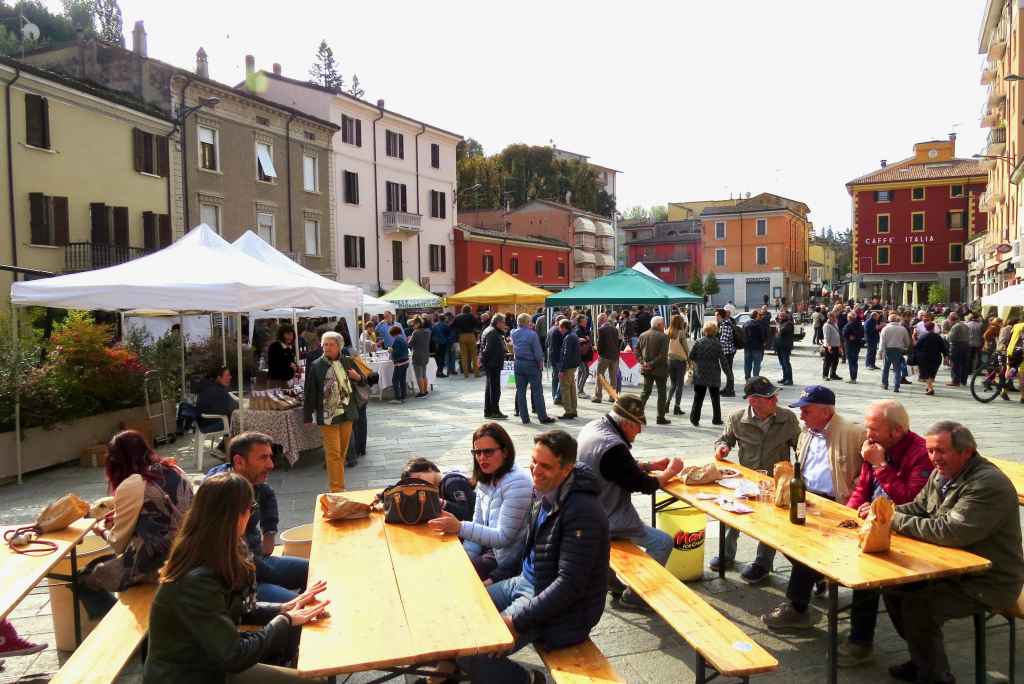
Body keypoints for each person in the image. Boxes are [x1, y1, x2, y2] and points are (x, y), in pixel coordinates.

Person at [455, 431, 610, 684]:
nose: (536, 471)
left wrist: (516, 621)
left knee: (475, 651)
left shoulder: (583, 512)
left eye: (545, 466)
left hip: (554, 604)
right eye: (534, 462)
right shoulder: (545, 494)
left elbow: (569, 585)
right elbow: (528, 552)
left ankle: (530, 680)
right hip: (523, 582)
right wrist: (494, 578)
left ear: (567, 469)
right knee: (458, 613)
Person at [144, 472, 329, 683]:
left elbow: (239, 609)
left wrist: (284, 608)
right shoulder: (197, 580)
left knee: (313, 669)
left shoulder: (214, 549)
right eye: (251, 508)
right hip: (191, 676)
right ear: (236, 515)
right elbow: (234, 655)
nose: (251, 514)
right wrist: (285, 620)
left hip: (209, 665)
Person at [882, 422, 1024, 684]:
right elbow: (919, 506)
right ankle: (923, 660)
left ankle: (935, 676)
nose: (934, 457)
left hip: (990, 580)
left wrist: (893, 520)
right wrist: (885, 510)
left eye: (941, 451)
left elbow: (950, 532)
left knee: (919, 605)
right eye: (930, 451)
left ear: (966, 452)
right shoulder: (943, 473)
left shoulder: (987, 483)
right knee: (893, 587)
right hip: (950, 568)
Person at [760, 386, 865, 630]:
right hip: (807, 498)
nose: (801, 416)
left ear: (826, 412)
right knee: (775, 535)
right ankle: (817, 574)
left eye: (807, 411)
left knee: (805, 549)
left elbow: (869, 472)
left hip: (837, 504)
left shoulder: (854, 432)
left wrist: (853, 495)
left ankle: (797, 608)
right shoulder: (807, 432)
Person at [577, 395, 684, 609]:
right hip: (604, 520)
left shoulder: (594, 427)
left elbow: (617, 469)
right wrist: (670, 472)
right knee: (663, 542)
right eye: (638, 425)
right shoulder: (613, 447)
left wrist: (650, 465)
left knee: (631, 531)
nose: (640, 431)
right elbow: (644, 485)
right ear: (626, 424)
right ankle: (635, 597)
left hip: (585, 512)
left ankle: (611, 582)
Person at [80, 431, 194, 618]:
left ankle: (115, 623)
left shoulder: (132, 483)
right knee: (100, 564)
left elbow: (118, 543)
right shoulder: (174, 469)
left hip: (157, 564)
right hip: (189, 553)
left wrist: (99, 530)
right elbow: (163, 513)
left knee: (85, 577)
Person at [712, 377, 800, 584]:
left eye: (775, 395)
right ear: (753, 401)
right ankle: (726, 554)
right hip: (746, 478)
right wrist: (722, 448)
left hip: (774, 483)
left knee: (771, 523)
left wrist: (800, 474)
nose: (776, 400)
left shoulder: (787, 418)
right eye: (770, 397)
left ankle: (762, 564)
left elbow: (800, 446)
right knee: (731, 514)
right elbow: (724, 440)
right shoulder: (737, 418)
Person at [206, 432, 309, 604]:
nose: (271, 464)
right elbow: (236, 560)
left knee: (315, 571)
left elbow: (267, 494)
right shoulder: (220, 492)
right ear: (239, 461)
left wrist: (269, 532)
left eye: (270, 457)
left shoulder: (252, 481)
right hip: (238, 583)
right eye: (263, 458)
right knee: (302, 605)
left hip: (258, 562)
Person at [428, 423, 533, 582]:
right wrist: (465, 557)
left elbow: (503, 538)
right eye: (477, 452)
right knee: (445, 562)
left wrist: (459, 527)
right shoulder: (486, 477)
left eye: (488, 452)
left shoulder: (518, 483)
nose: (481, 458)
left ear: (505, 452)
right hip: (488, 549)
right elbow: (477, 524)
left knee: (451, 576)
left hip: (503, 559)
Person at [303, 332, 367, 491]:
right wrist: (307, 415)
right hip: (327, 415)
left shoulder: (348, 361)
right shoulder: (317, 365)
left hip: (347, 412)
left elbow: (366, 380)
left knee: (342, 453)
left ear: (339, 346)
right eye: (324, 344)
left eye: (331, 344)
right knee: (333, 453)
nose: (327, 348)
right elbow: (310, 391)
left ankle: (339, 484)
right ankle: (337, 489)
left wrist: (358, 377)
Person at [510, 313, 555, 425]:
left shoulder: (513, 333)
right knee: (537, 391)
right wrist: (540, 362)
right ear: (527, 322)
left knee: (521, 391)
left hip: (518, 362)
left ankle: (524, 418)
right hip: (531, 364)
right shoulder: (532, 334)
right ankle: (542, 417)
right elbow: (537, 352)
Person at [402, 457, 476, 522]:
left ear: (429, 469)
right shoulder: (438, 486)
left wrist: (439, 502)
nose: (421, 484)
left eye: (419, 478)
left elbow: (465, 513)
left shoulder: (452, 483)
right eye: (416, 484)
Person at [637, 315, 671, 425]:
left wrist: (643, 362)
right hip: (659, 369)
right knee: (662, 393)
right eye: (663, 324)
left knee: (645, 392)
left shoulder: (643, 335)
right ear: (659, 325)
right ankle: (660, 417)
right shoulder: (664, 337)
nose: (664, 326)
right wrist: (650, 364)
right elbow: (662, 355)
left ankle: (637, 414)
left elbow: (636, 350)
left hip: (647, 368)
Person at [689, 321, 724, 426]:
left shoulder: (698, 342)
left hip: (700, 373)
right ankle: (716, 419)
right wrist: (729, 374)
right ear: (715, 331)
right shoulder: (717, 343)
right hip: (714, 374)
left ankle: (694, 419)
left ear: (704, 331)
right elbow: (723, 360)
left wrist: (696, 365)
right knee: (715, 398)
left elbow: (691, 356)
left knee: (698, 397)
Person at [480, 313, 507, 420]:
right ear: (498, 322)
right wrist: (485, 361)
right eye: (503, 322)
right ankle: (494, 411)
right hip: (493, 364)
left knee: (490, 388)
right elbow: (487, 350)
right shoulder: (492, 333)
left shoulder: (490, 330)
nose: (504, 324)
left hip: (492, 363)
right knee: (494, 389)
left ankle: (489, 411)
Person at [913, 321, 948, 396]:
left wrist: (913, 338)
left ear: (926, 328)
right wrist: (946, 356)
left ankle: (930, 388)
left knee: (926, 373)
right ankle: (929, 386)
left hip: (925, 357)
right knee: (932, 373)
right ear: (933, 327)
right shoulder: (938, 337)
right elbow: (943, 347)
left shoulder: (923, 337)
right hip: (936, 357)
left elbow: (916, 347)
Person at [593, 312, 621, 404]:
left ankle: (598, 396)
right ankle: (612, 396)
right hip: (615, 356)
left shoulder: (601, 329)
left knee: (600, 376)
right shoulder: (615, 329)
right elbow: (618, 342)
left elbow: (600, 344)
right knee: (613, 377)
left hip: (605, 356)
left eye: (598, 320)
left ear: (600, 320)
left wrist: (599, 352)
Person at [666, 314, 691, 416]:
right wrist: (689, 360)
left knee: (673, 384)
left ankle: (667, 404)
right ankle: (677, 407)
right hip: (680, 360)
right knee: (680, 385)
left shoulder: (667, 331)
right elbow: (686, 348)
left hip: (670, 360)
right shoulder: (681, 333)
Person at [880, 313, 911, 392]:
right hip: (898, 350)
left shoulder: (885, 328)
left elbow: (882, 341)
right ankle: (896, 385)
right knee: (897, 369)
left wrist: (880, 351)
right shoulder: (902, 329)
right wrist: (905, 347)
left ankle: (885, 384)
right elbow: (907, 341)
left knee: (886, 368)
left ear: (889, 320)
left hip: (888, 350)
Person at [556, 319, 580, 420]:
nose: (559, 329)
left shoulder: (568, 337)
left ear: (564, 327)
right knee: (571, 388)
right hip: (572, 365)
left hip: (568, 366)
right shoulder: (573, 335)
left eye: (560, 327)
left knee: (565, 389)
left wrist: (562, 369)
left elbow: (566, 354)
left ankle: (568, 411)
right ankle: (573, 410)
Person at [452, 305, 480, 378]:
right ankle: (476, 373)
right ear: (470, 310)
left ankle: (466, 374)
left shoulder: (458, 317)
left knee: (464, 356)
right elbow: (478, 324)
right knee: (474, 355)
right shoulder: (472, 316)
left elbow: (452, 326)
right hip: (471, 335)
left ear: (463, 309)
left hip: (462, 336)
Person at [716, 309, 737, 396]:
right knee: (728, 371)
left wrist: (714, 345)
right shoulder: (724, 324)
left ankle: (730, 391)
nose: (716, 318)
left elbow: (723, 341)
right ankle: (728, 388)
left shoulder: (726, 325)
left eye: (716, 316)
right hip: (727, 351)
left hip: (727, 352)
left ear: (720, 316)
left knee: (728, 372)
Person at [409, 317, 432, 398]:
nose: (413, 326)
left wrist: (409, 338)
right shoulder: (428, 331)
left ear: (418, 324)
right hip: (426, 354)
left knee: (419, 375)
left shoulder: (416, 332)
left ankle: (422, 392)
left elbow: (410, 344)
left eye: (414, 324)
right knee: (424, 375)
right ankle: (425, 391)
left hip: (417, 355)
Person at [946, 312, 970, 388]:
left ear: (951, 320)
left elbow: (950, 338)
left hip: (957, 346)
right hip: (966, 345)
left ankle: (955, 381)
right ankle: (963, 380)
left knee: (955, 364)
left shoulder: (955, 326)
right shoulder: (965, 325)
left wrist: (946, 336)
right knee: (964, 364)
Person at [547, 316, 566, 405]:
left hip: (552, 356)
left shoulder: (550, 329)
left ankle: (554, 395)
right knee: (561, 377)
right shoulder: (558, 331)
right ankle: (557, 397)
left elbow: (546, 343)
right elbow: (562, 345)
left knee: (555, 377)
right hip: (558, 357)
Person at [574, 314, 594, 399]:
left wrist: (588, 339)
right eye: (584, 321)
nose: (585, 322)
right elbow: (578, 341)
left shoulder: (584, 330)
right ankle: (580, 391)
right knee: (585, 372)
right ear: (579, 322)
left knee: (581, 372)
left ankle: (579, 390)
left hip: (583, 355)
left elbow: (588, 340)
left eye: (586, 321)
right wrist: (586, 339)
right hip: (579, 355)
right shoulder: (578, 330)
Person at [842, 311, 864, 384]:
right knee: (855, 362)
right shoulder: (859, 323)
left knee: (851, 362)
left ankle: (853, 378)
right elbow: (862, 333)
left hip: (850, 345)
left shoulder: (849, 324)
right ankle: (854, 378)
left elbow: (844, 333)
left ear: (849, 318)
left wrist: (850, 336)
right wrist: (856, 337)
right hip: (857, 345)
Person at [743, 311, 765, 381]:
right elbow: (762, 336)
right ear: (756, 316)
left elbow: (743, 335)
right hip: (757, 347)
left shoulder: (745, 324)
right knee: (756, 364)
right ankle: (755, 379)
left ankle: (747, 378)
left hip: (747, 347)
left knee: (747, 364)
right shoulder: (759, 324)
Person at [774, 311, 794, 386]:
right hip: (779, 346)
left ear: (785, 316)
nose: (780, 317)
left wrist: (778, 326)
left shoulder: (788, 324)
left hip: (785, 347)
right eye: (780, 316)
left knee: (786, 363)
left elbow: (782, 331)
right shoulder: (781, 323)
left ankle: (789, 379)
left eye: (782, 316)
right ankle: (785, 378)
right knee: (782, 363)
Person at [821, 312, 842, 381]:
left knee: (835, 360)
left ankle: (833, 374)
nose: (835, 318)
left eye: (835, 316)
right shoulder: (826, 325)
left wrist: (839, 346)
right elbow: (826, 337)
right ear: (829, 317)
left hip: (836, 345)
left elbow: (838, 334)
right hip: (830, 346)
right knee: (827, 361)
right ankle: (825, 375)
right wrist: (828, 346)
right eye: (833, 316)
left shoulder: (835, 324)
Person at [431, 313, 452, 378]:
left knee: (437, 358)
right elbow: (449, 335)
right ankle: (440, 372)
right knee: (442, 358)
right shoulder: (445, 326)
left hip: (436, 344)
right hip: (443, 343)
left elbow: (432, 334)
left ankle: (438, 372)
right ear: (444, 319)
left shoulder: (434, 325)